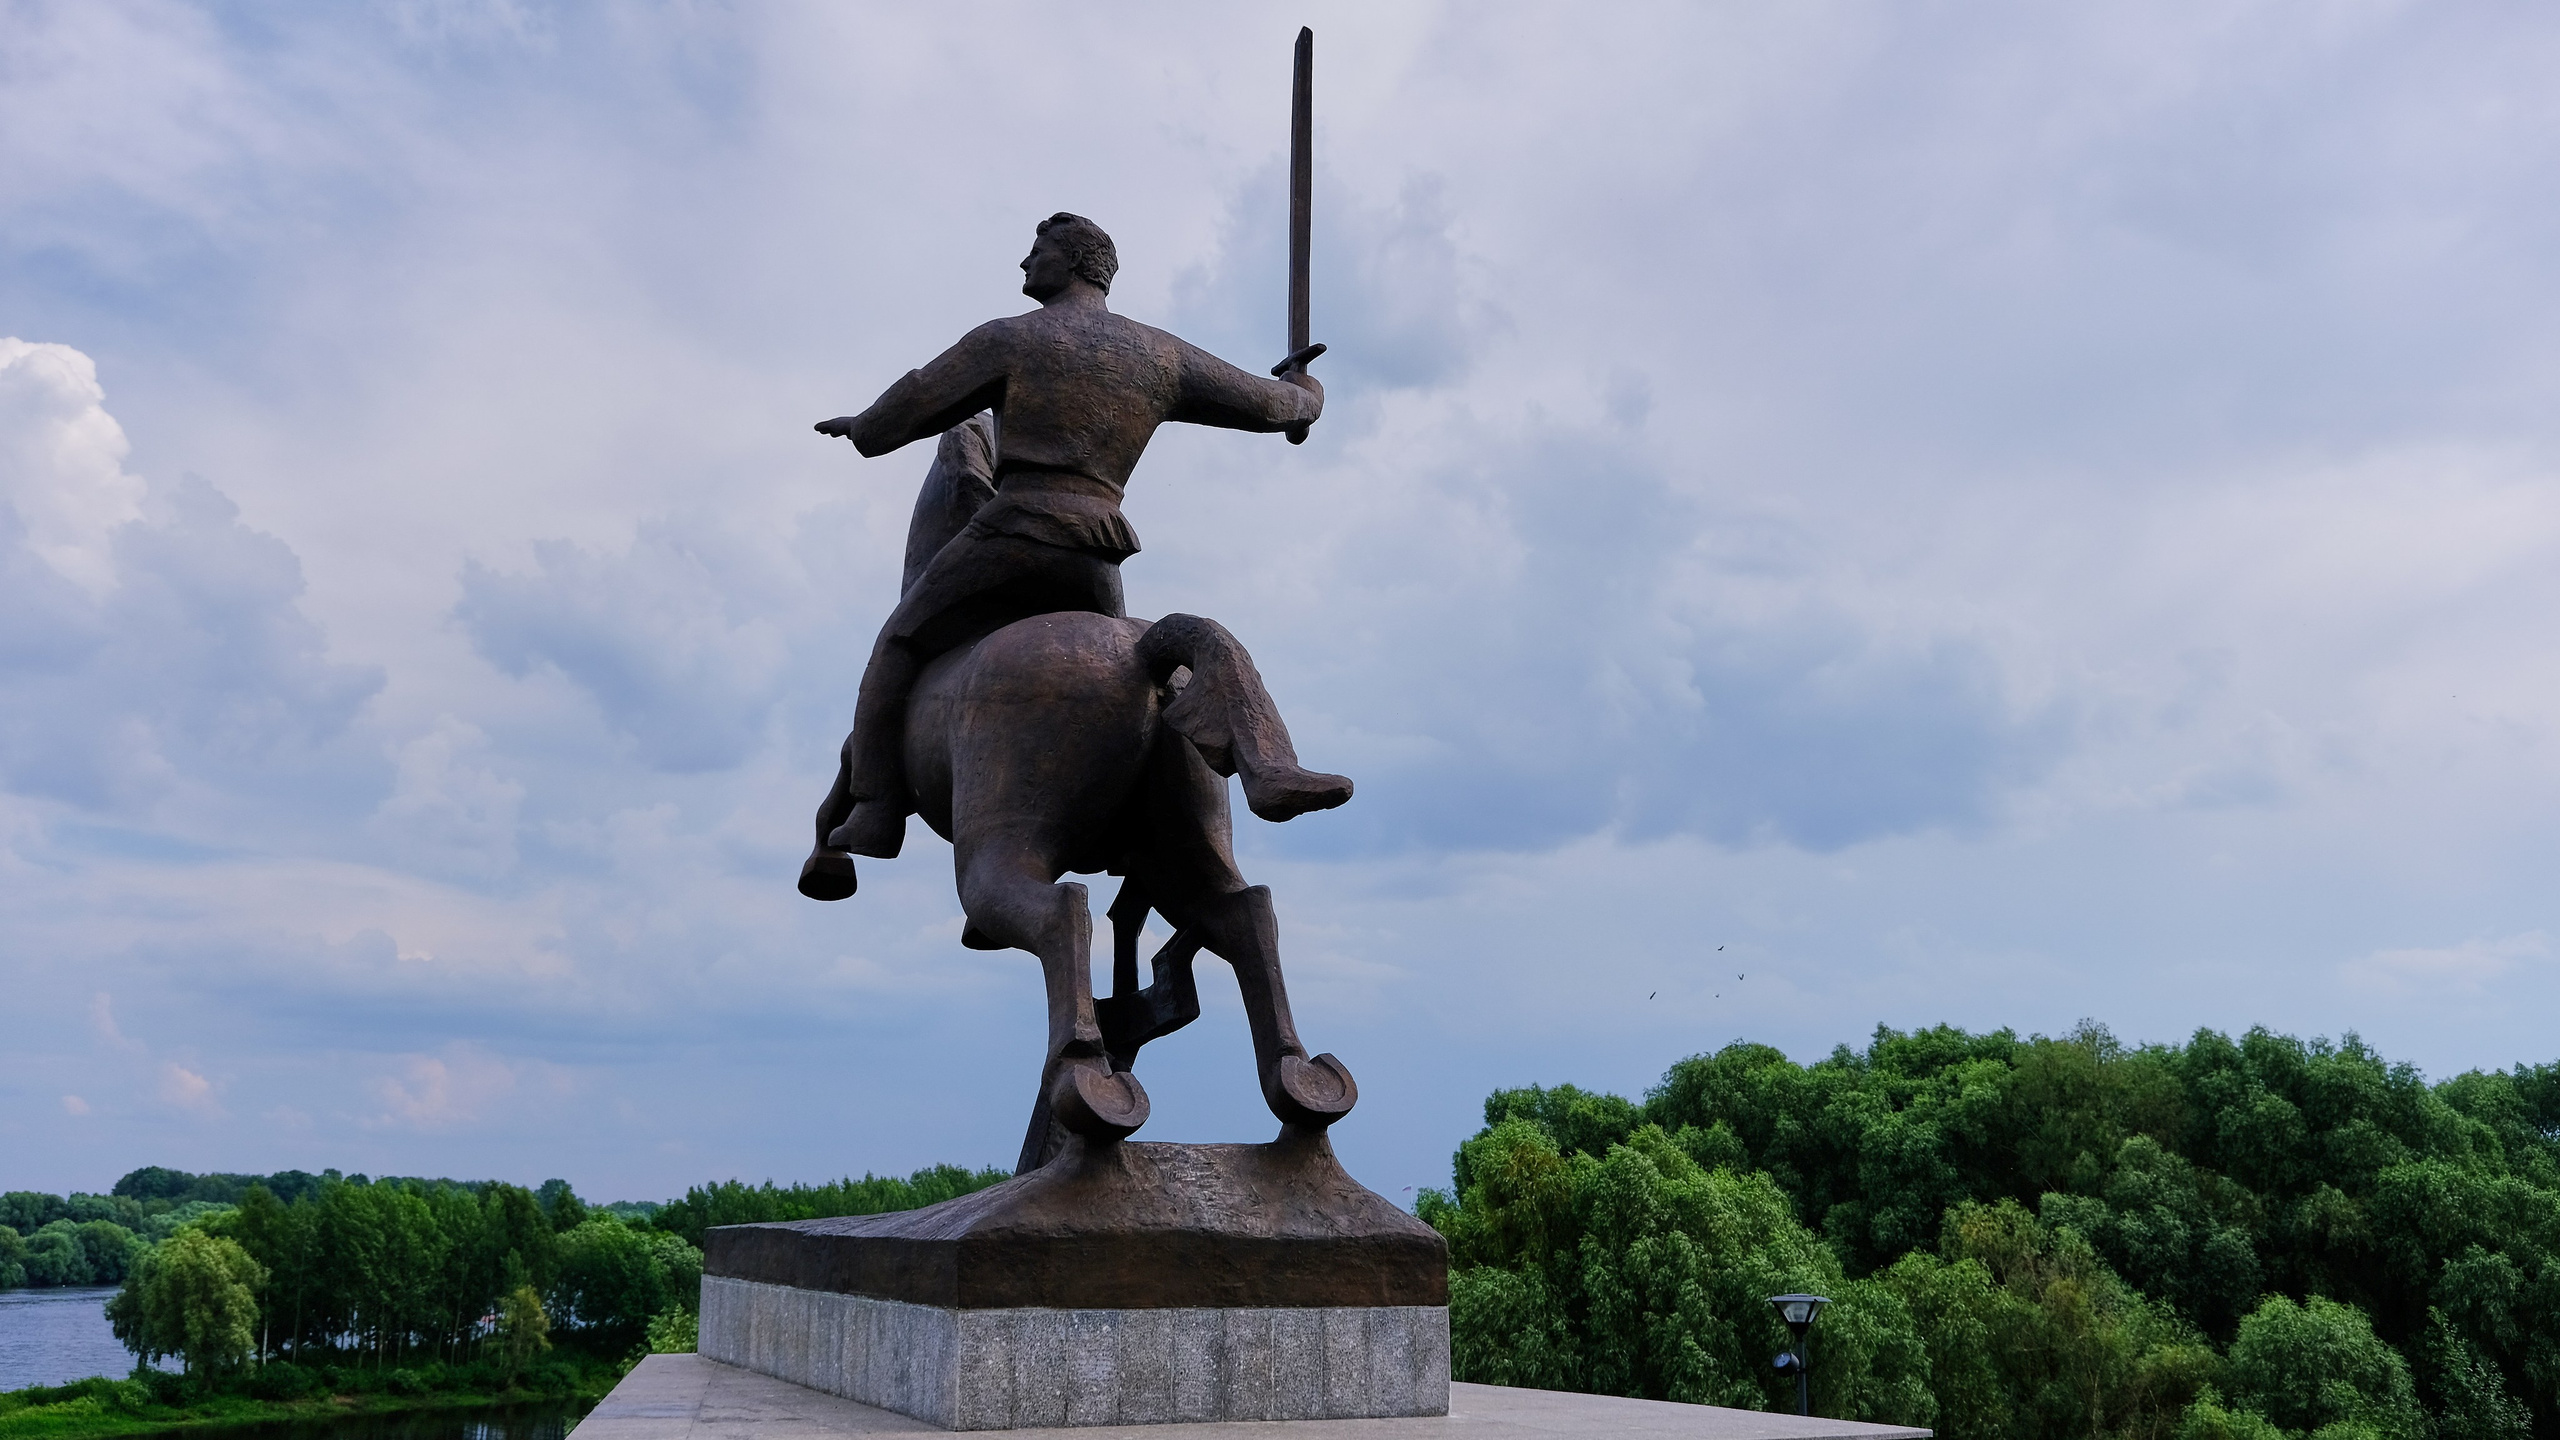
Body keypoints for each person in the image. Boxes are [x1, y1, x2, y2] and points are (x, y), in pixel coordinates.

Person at [810, 212, 1325, 873]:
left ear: (1076, 263)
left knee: (900, 639)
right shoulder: (1162, 354)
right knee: (1133, 681)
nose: (1025, 266)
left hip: (1012, 532)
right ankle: (1220, 781)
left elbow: (913, 403)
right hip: (1096, 555)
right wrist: (1303, 390)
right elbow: (1271, 406)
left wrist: (863, 427)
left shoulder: (1010, 339)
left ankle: (877, 808)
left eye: (1037, 253)